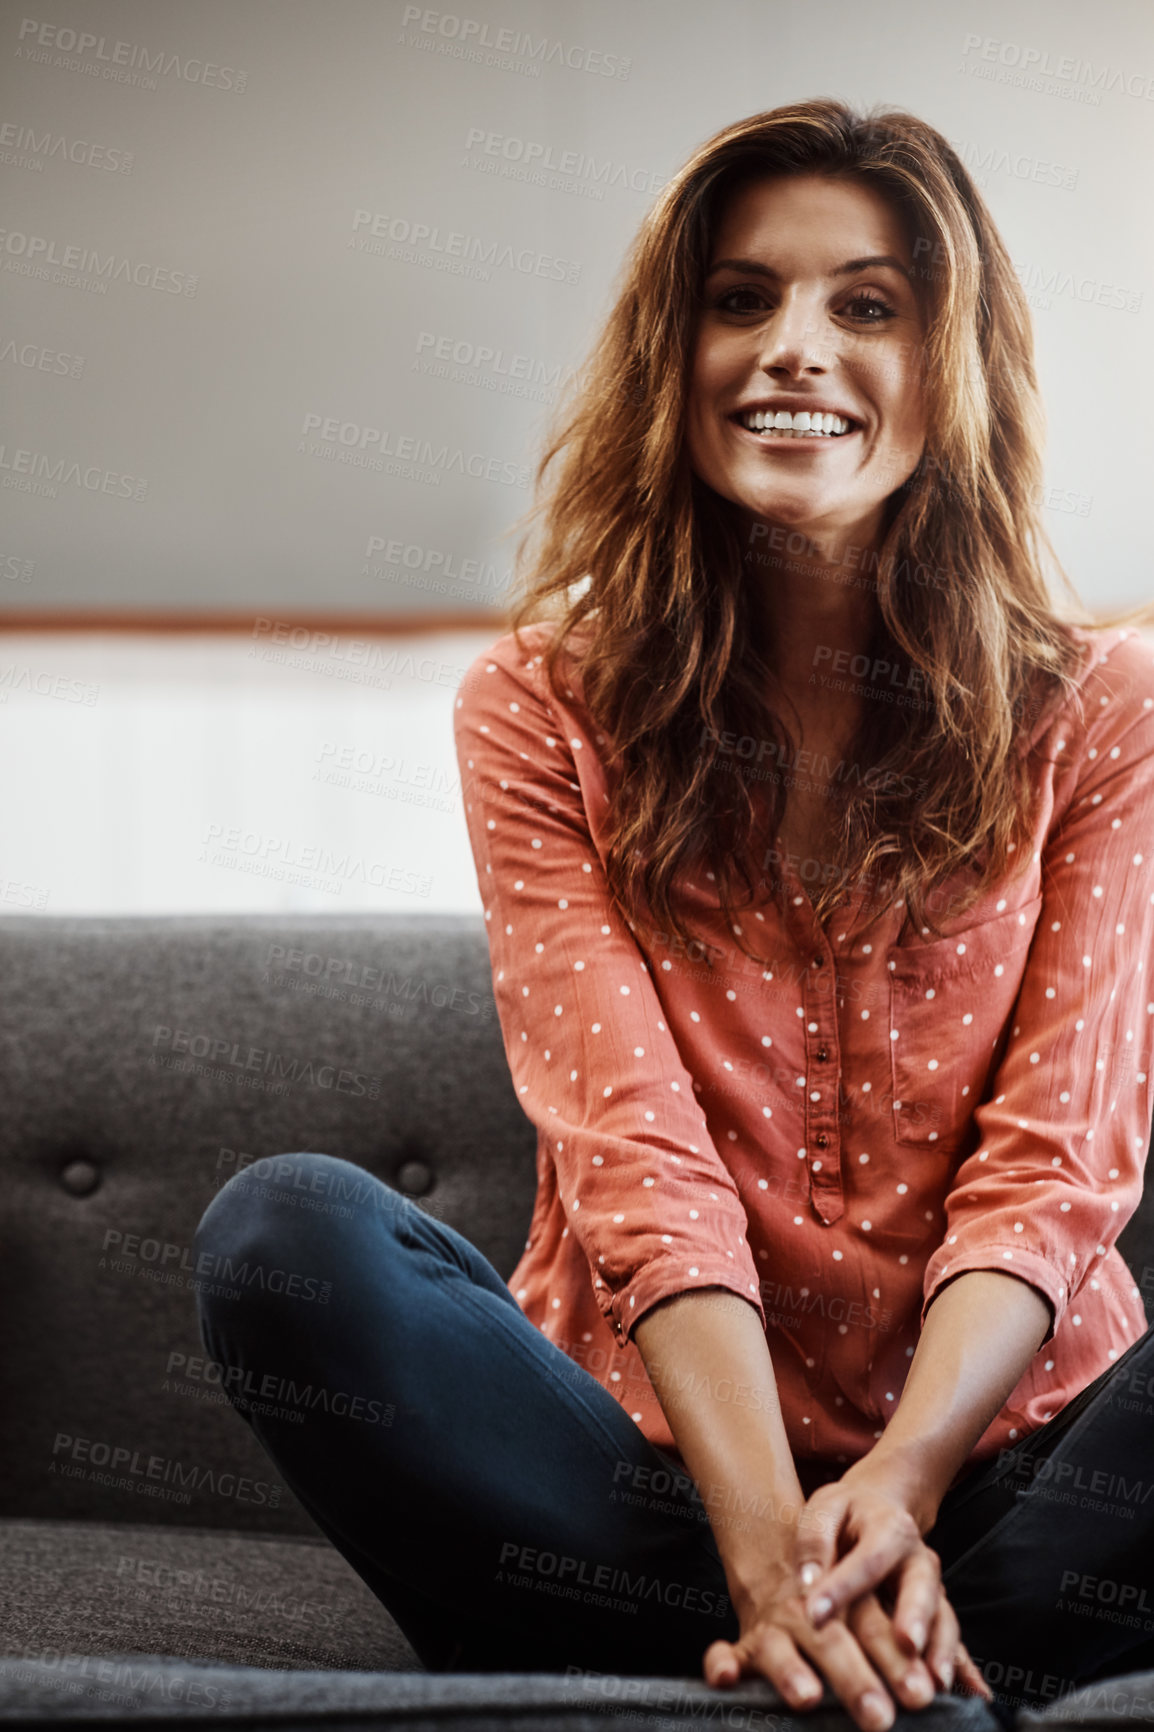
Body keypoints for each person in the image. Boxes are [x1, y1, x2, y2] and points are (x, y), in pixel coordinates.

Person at [193, 100, 1154, 1731]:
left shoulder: (1102, 705)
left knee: (1006, 1526)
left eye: (866, 304)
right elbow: (636, 1165)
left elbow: (1053, 1167)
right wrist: (767, 1536)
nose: (793, 347)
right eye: (738, 298)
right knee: (286, 1234)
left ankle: (815, 1643)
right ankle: (877, 1652)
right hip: (650, 1493)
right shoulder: (536, 707)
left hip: (1011, 1477)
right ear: (673, 350)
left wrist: (902, 1484)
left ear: (954, 360)